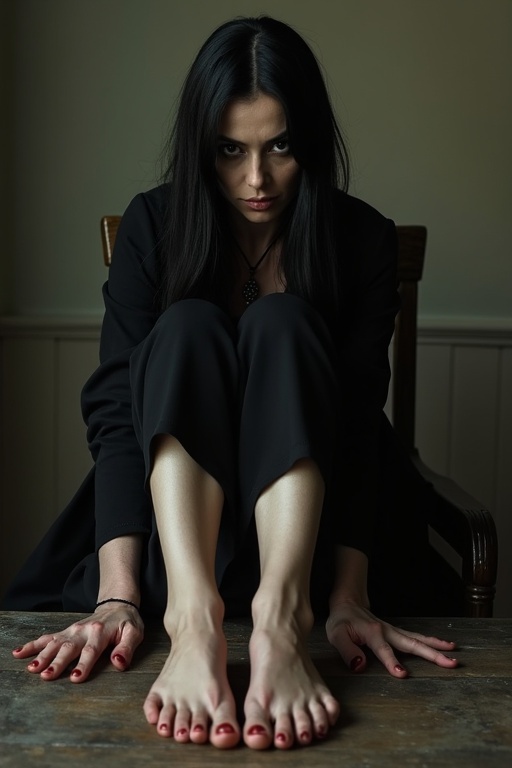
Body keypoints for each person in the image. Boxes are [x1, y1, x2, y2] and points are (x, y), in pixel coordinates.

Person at [4, 16, 458, 751]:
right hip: (178, 554)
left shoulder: (361, 240)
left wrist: (345, 596)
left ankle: (279, 627)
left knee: (283, 323)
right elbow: (121, 419)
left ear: (309, 138)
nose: (256, 179)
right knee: (186, 325)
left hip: (308, 556)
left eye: (279, 146)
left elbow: (358, 424)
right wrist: (119, 594)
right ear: (201, 147)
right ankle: (194, 624)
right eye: (230, 151)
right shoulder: (155, 227)